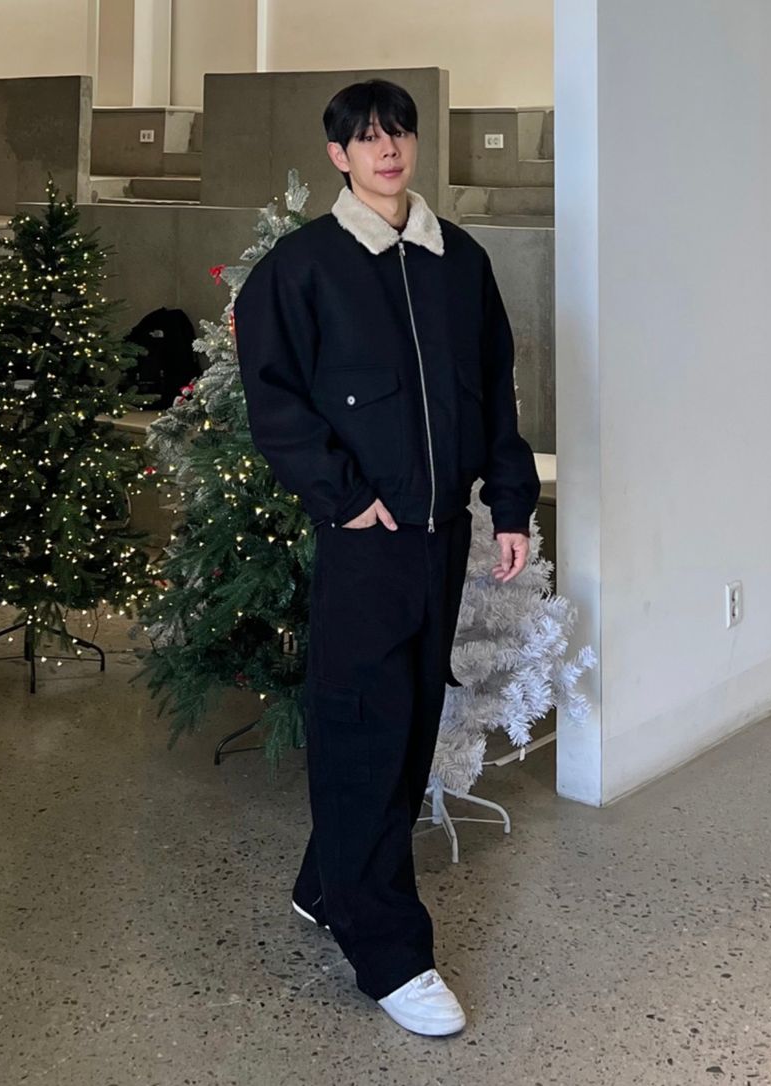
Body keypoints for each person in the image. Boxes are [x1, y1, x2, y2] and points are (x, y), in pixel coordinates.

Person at [233, 78, 540, 1036]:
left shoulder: (459, 260)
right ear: (339, 156)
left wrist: (511, 503)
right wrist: (344, 497)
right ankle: (390, 954)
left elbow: (495, 388)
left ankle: (331, 882)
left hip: (444, 533)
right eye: (367, 138)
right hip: (367, 538)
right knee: (366, 725)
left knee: (408, 727)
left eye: (398, 132)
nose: (387, 149)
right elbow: (274, 399)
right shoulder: (303, 267)